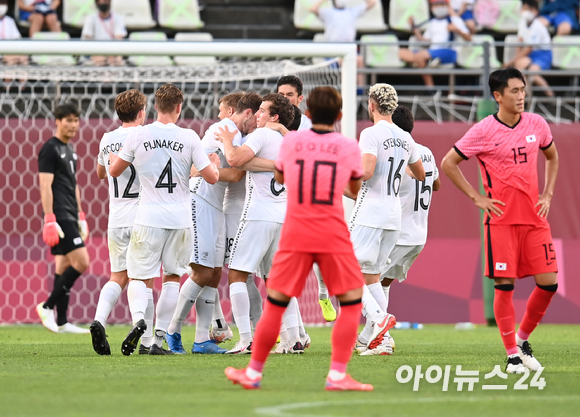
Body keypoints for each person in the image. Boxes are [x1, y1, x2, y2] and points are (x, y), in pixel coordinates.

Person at [224, 86, 372, 391]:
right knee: (352, 301)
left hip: (297, 230)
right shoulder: (347, 145)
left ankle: (253, 372)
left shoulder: (292, 143)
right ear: (340, 115)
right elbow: (355, 190)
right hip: (331, 231)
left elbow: (280, 177)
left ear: (308, 114)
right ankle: (338, 374)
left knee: (275, 302)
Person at [441, 68, 559, 373]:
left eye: (523, 90)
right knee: (503, 287)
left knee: (549, 283)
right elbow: (449, 163)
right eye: (514, 91)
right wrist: (476, 198)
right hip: (501, 220)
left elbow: (552, 156)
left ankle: (522, 340)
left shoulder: (537, 123)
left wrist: (547, 194)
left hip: (535, 219)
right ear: (498, 96)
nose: (521, 96)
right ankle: (511, 356)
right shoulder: (483, 130)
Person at [109, 84, 220, 356]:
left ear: (154, 107)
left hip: (147, 217)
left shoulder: (139, 134)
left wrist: (114, 159)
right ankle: (157, 340)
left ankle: (139, 323)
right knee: (171, 278)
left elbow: (114, 171)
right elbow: (212, 178)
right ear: (180, 107)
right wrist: (213, 164)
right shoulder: (190, 136)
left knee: (138, 277)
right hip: (180, 219)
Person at [165, 92, 262, 355]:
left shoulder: (237, 135)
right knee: (201, 271)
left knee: (215, 273)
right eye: (257, 117)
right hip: (200, 199)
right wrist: (214, 170)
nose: (258, 124)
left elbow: (229, 173)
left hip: (215, 204)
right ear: (248, 113)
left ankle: (201, 341)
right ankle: (172, 330)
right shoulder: (227, 130)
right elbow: (237, 173)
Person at [357, 105, 441, 356]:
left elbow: (381, 182)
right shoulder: (426, 153)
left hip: (396, 230)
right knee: (381, 283)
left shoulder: (396, 154)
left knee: (363, 277)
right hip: (419, 235)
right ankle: (366, 338)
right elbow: (435, 184)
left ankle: (383, 336)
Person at [348, 84, 425, 355]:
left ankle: (379, 320)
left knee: (344, 271)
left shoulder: (370, 133)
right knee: (371, 277)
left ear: (371, 105)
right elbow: (421, 173)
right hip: (394, 217)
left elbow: (366, 172)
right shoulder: (406, 137)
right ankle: (384, 340)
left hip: (370, 212)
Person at [216, 94, 295, 354]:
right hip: (282, 216)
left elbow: (236, 160)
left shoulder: (262, 135)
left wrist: (228, 141)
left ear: (274, 117)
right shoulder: (289, 141)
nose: (257, 116)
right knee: (275, 281)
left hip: (258, 214)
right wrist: (275, 165)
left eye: (262, 111)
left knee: (237, 274)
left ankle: (247, 339)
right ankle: (290, 339)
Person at [90, 89, 154, 356]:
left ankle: (99, 320)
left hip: (115, 217)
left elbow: (100, 173)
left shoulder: (107, 138)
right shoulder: (145, 136)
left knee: (117, 275)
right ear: (141, 112)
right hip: (143, 216)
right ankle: (144, 331)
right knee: (144, 277)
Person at [276, 75, 337, 325]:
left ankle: (323, 294)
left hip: (310, 200)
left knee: (319, 253)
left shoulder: (311, 125)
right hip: (277, 200)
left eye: (289, 95)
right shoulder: (268, 121)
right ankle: (290, 328)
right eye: (281, 94)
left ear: (300, 98)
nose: (284, 99)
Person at [36, 104, 90, 334]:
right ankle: (47, 306)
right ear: (57, 121)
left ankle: (62, 321)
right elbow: (45, 185)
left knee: (64, 265)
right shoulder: (50, 149)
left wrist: (81, 215)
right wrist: (49, 218)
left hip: (71, 214)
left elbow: (74, 185)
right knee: (82, 262)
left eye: (76, 120)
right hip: (59, 216)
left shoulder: (71, 150)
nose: (73, 124)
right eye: (68, 120)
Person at [398, 0, 472, 90]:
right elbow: (425, 41)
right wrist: (413, 27)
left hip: (449, 52)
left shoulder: (454, 19)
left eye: (441, 4)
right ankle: (428, 61)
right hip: (431, 51)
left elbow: (469, 38)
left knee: (421, 56)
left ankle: (430, 89)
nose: (439, 7)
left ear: (447, 6)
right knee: (402, 52)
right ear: (432, 7)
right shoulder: (432, 22)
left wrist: (456, 29)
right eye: (436, 5)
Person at [309, 0, 377, 91]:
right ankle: (345, 91)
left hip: (350, 48)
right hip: (333, 51)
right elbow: (312, 8)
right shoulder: (328, 12)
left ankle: (361, 93)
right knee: (345, 61)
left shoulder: (352, 11)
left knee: (359, 61)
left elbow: (373, 3)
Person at [503, 0, 553, 97]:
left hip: (542, 54)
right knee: (520, 71)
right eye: (524, 8)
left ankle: (551, 96)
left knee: (533, 74)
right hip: (529, 54)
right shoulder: (522, 22)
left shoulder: (538, 26)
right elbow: (520, 41)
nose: (525, 11)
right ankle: (526, 98)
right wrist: (517, 60)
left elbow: (529, 48)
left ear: (535, 11)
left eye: (528, 9)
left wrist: (511, 62)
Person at [81, 0, 127, 66]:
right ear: (96, 3)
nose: (104, 3)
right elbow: (88, 41)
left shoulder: (118, 18)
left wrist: (110, 55)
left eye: (106, 1)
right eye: (101, 1)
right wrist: (98, 55)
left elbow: (119, 40)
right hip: (94, 53)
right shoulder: (91, 18)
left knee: (118, 59)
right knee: (98, 61)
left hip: (112, 53)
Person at [0, 1, 29, 66]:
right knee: (10, 62)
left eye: (3, 4)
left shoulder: (9, 20)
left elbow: (17, 39)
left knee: (23, 59)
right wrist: (3, 57)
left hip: (10, 53)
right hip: (3, 56)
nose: (2, 6)